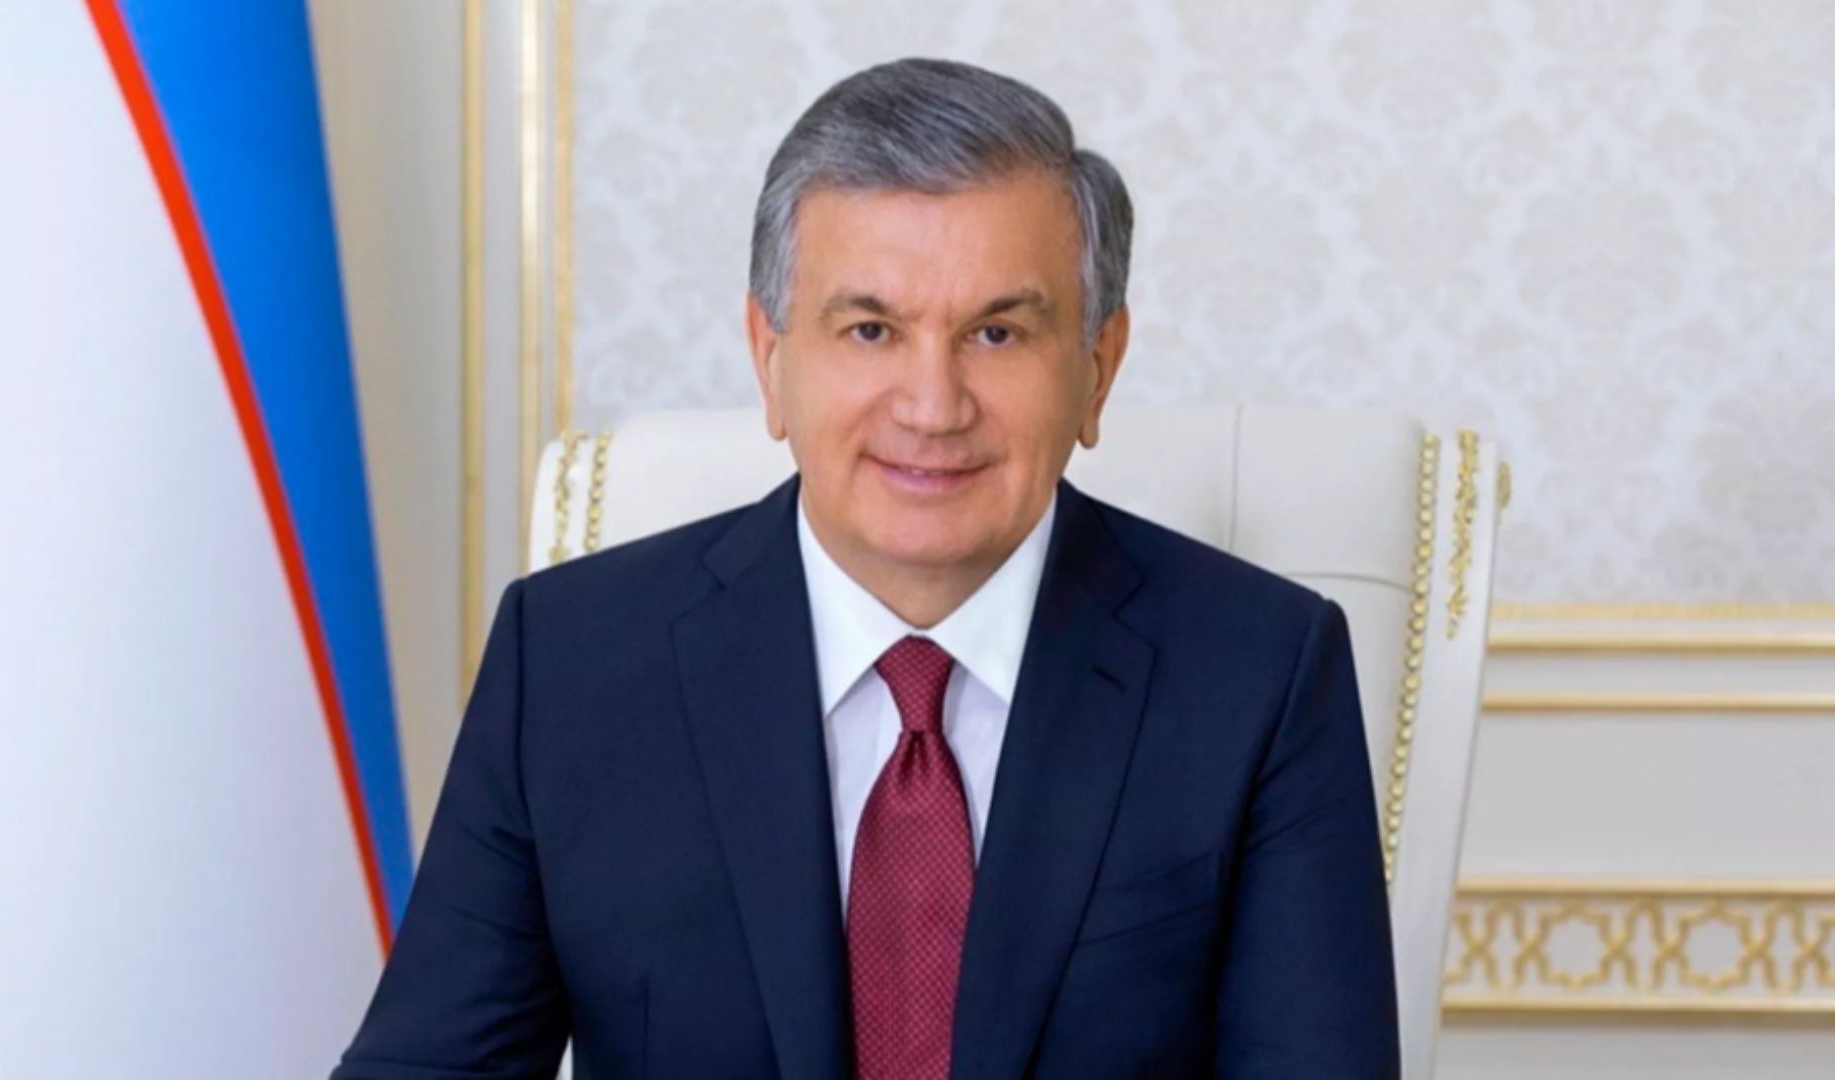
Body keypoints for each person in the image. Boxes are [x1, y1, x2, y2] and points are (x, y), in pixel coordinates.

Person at [336, 57, 1397, 1079]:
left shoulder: (1259, 675)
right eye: (872, 329)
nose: (933, 407)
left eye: (996, 333)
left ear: (1097, 370)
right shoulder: (569, 664)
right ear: (771, 359)